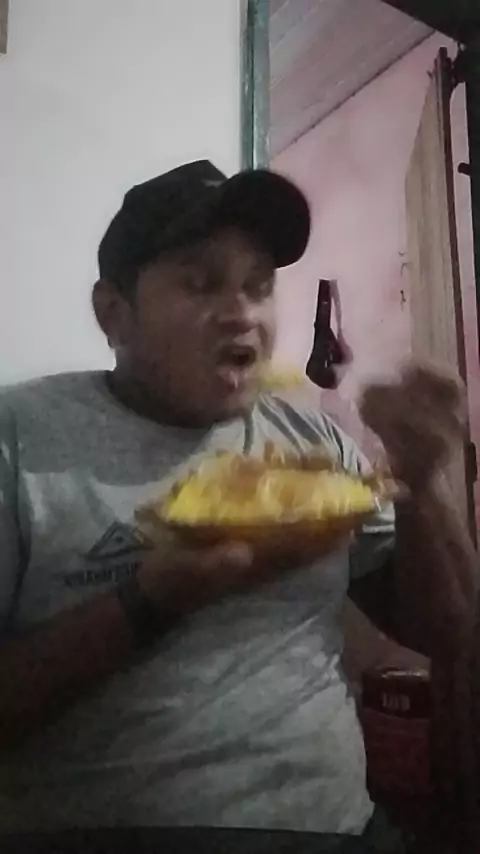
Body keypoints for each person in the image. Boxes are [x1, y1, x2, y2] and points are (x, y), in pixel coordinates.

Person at [0, 160, 476, 848]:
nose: (243, 313)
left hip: (337, 829)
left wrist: (424, 481)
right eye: (201, 283)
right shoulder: (19, 438)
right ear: (113, 313)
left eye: (260, 285)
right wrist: (151, 600)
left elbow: (449, 630)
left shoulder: (311, 439)